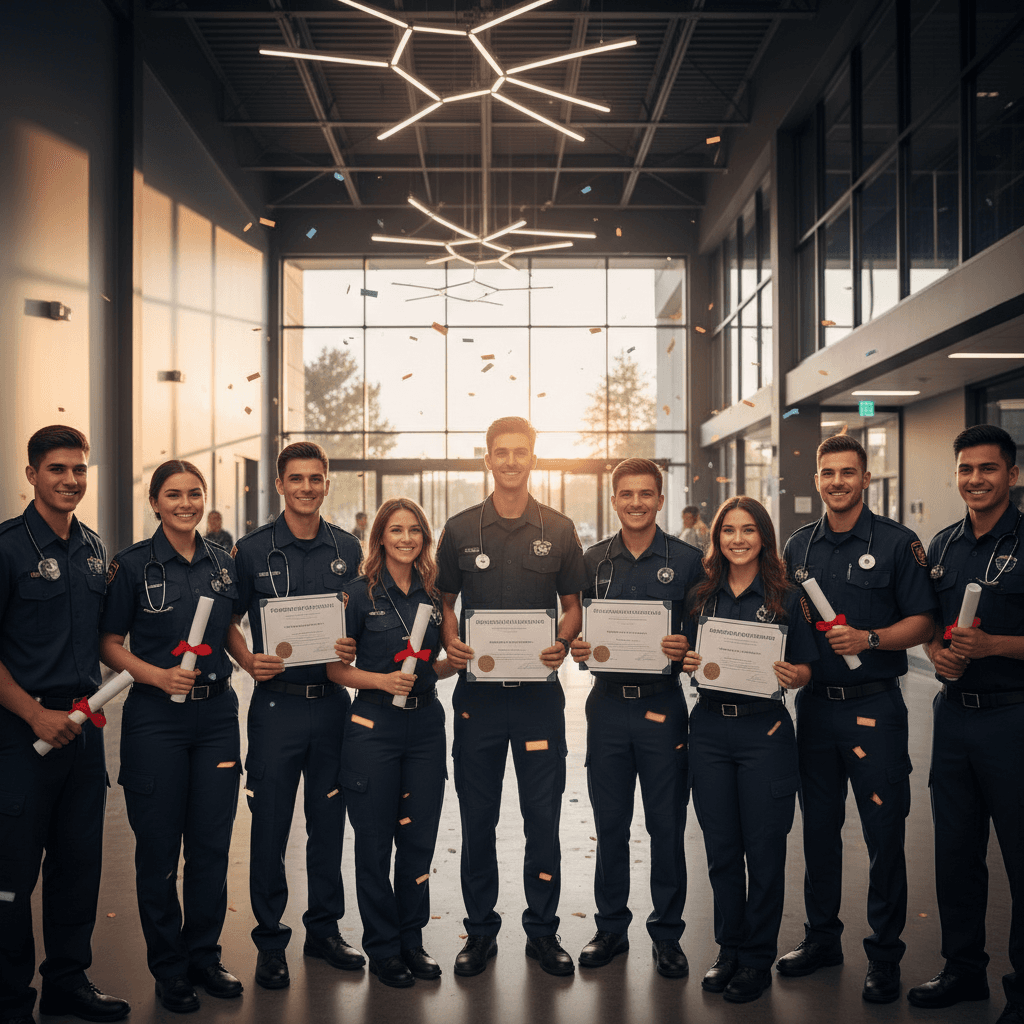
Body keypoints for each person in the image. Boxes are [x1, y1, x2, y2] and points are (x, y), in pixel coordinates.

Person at [776, 434, 935, 1004]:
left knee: (884, 834)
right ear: (816, 480)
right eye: (828, 473)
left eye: (848, 472)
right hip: (815, 711)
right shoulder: (797, 548)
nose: (837, 481)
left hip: (876, 708)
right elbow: (785, 626)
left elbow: (924, 622)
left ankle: (884, 955)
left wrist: (870, 637)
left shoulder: (897, 544)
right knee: (817, 832)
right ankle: (822, 938)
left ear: (866, 479)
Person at [436, 416, 588, 978]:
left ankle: (543, 932)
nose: (511, 461)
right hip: (478, 701)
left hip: (538, 700)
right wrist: (452, 640)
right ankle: (479, 933)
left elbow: (572, 603)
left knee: (542, 818)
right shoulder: (458, 529)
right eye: (501, 452)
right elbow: (445, 603)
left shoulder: (560, 527)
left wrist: (564, 638)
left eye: (520, 452)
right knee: (477, 819)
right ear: (487, 458)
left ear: (533, 457)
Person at [99, 460, 243, 1013]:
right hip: (156, 718)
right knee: (159, 850)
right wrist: (156, 674)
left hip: (216, 720)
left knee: (210, 846)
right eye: (174, 495)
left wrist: (253, 661)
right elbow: (109, 641)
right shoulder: (132, 565)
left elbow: (226, 624)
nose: (186, 503)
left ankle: (204, 955)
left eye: (195, 494)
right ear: (154, 502)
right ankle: (169, 966)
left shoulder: (223, 563)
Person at [0, 425, 130, 1024]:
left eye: (79, 469)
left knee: (78, 867)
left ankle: (67, 982)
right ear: (31, 474)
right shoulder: (6, 549)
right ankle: (8, 997)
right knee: (11, 876)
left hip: (84, 731)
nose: (71, 480)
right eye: (57, 469)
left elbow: (110, 640)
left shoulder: (97, 550)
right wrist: (34, 714)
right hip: (21, 735)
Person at [226, 441, 364, 989]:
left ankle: (325, 931)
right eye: (296, 479)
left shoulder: (348, 549)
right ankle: (270, 941)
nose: (306, 487)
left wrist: (354, 648)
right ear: (279, 485)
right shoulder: (252, 551)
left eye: (316, 478)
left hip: (332, 708)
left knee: (329, 825)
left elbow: (364, 621)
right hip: (277, 706)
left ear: (327, 483)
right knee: (272, 826)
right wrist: (247, 660)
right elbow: (228, 619)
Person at [569, 458, 703, 977]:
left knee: (667, 825)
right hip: (605, 708)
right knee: (611, 825)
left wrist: (686, 644)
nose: (636, 503)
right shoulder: (593, 560)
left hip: (662, 708)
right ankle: (610, 927)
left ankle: (667, 935)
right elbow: (580, 631)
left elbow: (704, 635)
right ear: (614, 500)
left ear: (660, 500)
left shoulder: (689, 561)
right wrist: (580, 648)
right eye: (626, 494)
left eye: (646, 494)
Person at [910, 424, 1024, 1023]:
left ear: (1012, 473)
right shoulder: (944, 545)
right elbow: (930, 622)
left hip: (1014, 720)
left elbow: (993, 641)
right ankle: (963, 971)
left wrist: (992, 646)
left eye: (988, 469)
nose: (975, 480)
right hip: (952, 719)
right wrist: (936, 651)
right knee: (955, 853)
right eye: (966, 470)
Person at [683, 496, 817, 1004]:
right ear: (716, 538)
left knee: (764, 851)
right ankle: (728, 948)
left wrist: (794, 675)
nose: (737, 539)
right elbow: (681, 655)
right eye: (728, 531)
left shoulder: (787, 596)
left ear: (764, 536)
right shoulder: (701, 596)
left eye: (748, 530)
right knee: (720, 850)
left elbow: (807, 667)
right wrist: (686, 658)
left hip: (765, 734)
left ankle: (757, 957)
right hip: (711, 732)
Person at [327, 498, 455, 988]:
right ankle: (381, 948)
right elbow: (335, 669)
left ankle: (411, 939)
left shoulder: (434, 593)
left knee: (418, 841)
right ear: (379, 537)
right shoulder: (356, 595)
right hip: (373, 727)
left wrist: (456, 663)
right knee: (376, 843)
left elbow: (434, 665)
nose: (406, 538)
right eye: (396, 530)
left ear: (425, 537)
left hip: (425, 728)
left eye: (415, 531)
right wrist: (381, 683)